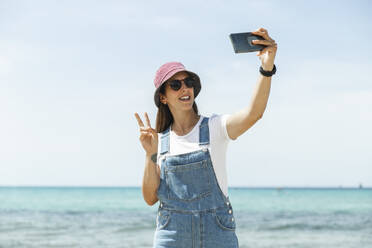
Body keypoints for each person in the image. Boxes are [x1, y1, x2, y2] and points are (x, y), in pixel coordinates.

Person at [134, 27, 277, 248]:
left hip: (217, 233)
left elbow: (253, 114)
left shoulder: (215, 127)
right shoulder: (160, 142)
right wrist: (150, 155)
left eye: (188, 82)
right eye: (175, 84)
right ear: (163, 97)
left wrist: (266, 69)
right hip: (171, 236)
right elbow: (150, 198)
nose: (185, 88)